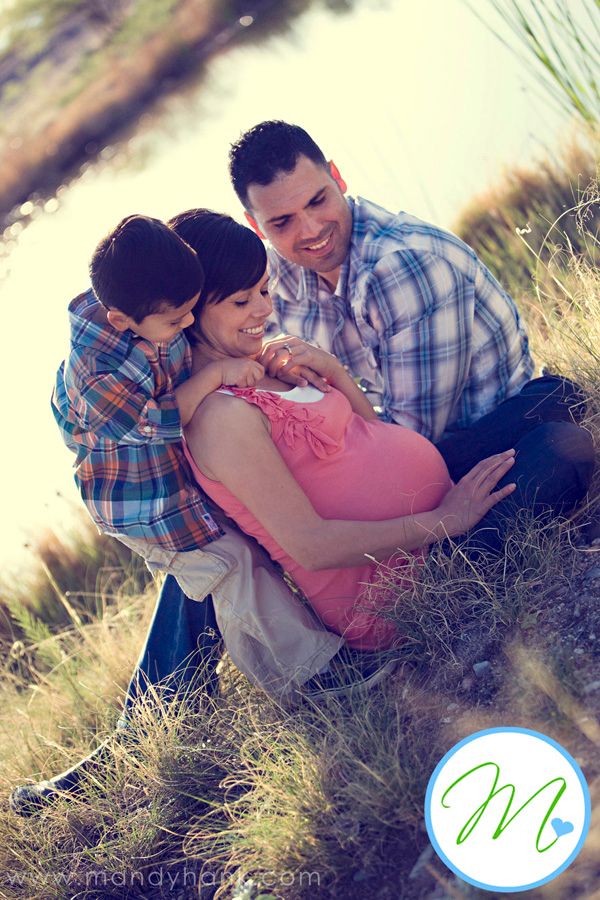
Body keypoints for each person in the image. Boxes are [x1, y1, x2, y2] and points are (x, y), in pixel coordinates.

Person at [10, 214, 344, 817]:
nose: (188, 327)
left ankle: (142, 734)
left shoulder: (154, 292)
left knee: (214, 574)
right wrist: (215, 373)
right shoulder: (106, 365)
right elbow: (145, 419)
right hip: (145, 503)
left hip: (170, 490)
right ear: (124, 319)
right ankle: (309, 679)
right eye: (237, 300)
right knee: (229, 566)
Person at [168, 209, 592, 646]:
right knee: (563, 447)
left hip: (435, 508)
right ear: (188, 312)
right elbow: (312, 547)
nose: (264, 309)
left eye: (264, 289)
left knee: (556, 396)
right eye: (242, 302)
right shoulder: (220, 418)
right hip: (406, 586)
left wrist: (333, 370)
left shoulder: (259, 363)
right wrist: (445, 520)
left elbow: (370, 434)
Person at [226, 120, 594, 541]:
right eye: (282, 222)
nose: (309, 230)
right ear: (257, 226)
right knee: (560, 424)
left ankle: (445, 552)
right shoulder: (275, 276)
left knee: (560, 433)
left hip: (473, 433)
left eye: (317, 200)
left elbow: (409, 442)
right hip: (397, 445)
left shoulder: (401, 267)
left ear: (337, 177)